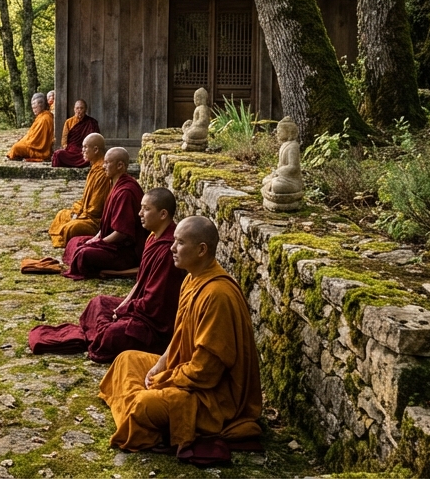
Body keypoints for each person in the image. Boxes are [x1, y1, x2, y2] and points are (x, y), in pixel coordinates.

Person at [98, 216, 264, 466]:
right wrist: (160, 366)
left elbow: (206, 372)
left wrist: (165, 379)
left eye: (179, 243)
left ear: (201, 250)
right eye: (174, 241)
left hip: (212, 397)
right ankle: (142, 417)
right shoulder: (190, 278)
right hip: (184, 373)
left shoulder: (217, 295)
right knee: (126, 359)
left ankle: (146, 419)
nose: (172, 248)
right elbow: (180, 335)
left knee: (145, 402)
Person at [30, 188, 186, 363]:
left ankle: (99, 333)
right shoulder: (153, 237)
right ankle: (98, 331)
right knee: (98, 303)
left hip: (155, 327)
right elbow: (140, 282)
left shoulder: (168, 251)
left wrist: (124, 310)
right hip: (140, 307)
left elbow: (155, 306)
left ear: (163, 214)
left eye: (146, 209)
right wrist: (122, 307)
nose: (140, 213)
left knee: (111, 335)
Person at [63, 147, 145, 280]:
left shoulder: (126, 192)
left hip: (125, 253)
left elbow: (122, 233)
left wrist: (99, 243)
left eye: (107, 163)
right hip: (111, 245)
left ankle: (110, 269)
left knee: (84, 254)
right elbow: (107, 224)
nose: (103, 166)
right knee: (74, 241)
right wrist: (96, 238)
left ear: (120, 165)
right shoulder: (115, 185)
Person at [48, 134, 110, 247]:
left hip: (95, 221)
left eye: (85, 147)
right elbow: (86, 198)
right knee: (61, 214)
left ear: (96, 149)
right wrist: (76, 210)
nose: (82, 151)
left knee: (71, 228)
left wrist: (79, 214)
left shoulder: (102, 172)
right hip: (85, 213)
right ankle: (63, 232)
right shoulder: (94, 167)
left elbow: (95, 210)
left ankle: (63, 234)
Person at [52, 99, 101, 168]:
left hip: (85, 150)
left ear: (85, 109)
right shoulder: (68, 122)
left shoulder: (92, 122)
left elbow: (97, 139)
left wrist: (88, 150)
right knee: (57, 154)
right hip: (71, 150)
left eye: (81, 108)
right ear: (74, 109)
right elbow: (64, 139)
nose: (79, 110)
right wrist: (66, 147)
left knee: (89, 158)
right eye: (77, 108)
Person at [7, 92, 54, 162]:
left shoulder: (45, 118)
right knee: (18, 144)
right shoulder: (41, 116)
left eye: (35, 107)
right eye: (33, 108)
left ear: (42, 106)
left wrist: (25, 141)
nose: (33, 110)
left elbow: (36, 141)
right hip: (33, 143)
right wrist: (23, 139)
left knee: (16, 148)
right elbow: (32, 133)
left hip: (40, 150)